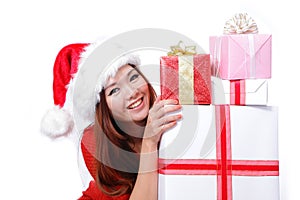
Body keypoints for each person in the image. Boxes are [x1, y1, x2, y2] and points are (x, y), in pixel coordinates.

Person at [41, 43, 182, 200]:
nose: (132, 93)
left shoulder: (164, 116)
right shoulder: (94, 142)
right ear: (103, 106)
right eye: (114, 90)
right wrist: (149, 142)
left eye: (133, 77)